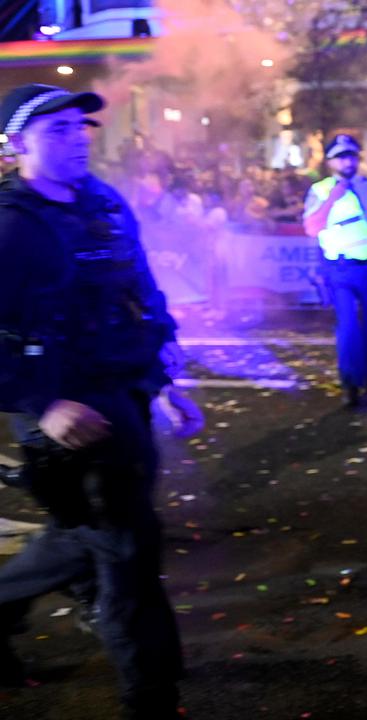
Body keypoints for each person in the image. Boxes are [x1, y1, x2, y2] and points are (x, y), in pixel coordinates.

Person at [0, 83, 204, 718]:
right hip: (65, 419)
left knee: (83, 538)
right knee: (124, 546)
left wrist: (168, 372)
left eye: (79, 127)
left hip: (127, 397)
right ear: (16, 144)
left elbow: (140, 288)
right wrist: (44, 405)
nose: (77, 139)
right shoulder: (11, 224)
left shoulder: (104, 203)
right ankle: (151, 695)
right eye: (55, 131)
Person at [303, 134, 367, 407]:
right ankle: (351, 384)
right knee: (347, 326)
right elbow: (311, 227)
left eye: (351, 156)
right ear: (330, 162)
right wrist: (332, 200)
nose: (347, 161)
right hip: (340, 268)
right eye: (341, 157)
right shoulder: (321, 190)